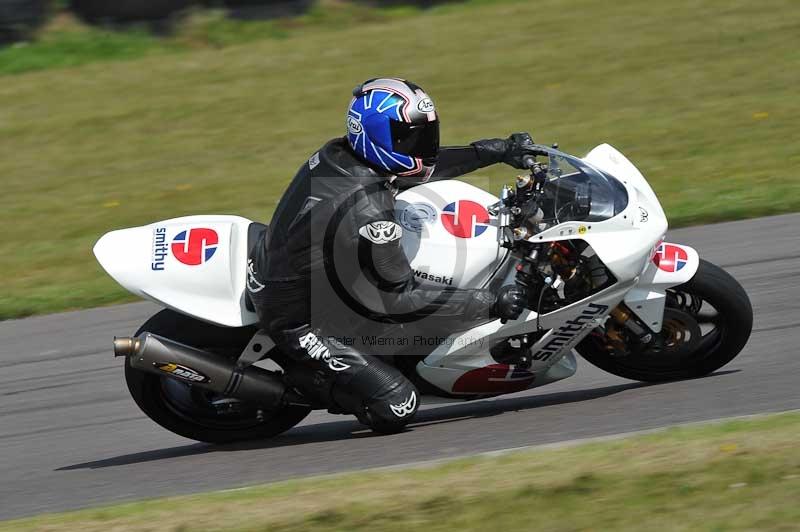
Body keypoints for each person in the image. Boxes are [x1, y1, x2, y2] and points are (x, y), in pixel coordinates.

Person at [248, 78, 538, 433]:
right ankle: (304, 383)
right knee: (398, 405)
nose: (423, 146)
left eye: (423, 135)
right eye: (408, 138)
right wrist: (488, 302)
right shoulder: (367, 210)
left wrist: (495, 151)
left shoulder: (347, 154)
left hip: (315, 274)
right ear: (376, 136)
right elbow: (400, 298)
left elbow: (424, 168)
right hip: (301, 317)